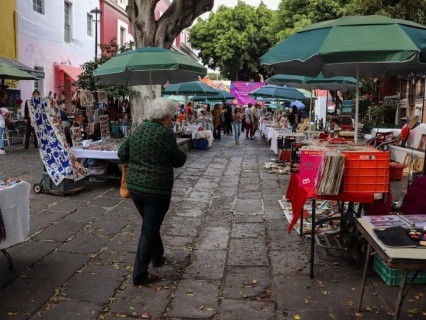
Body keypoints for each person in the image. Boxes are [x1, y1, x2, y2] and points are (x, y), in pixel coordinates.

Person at [118, 98, 187, 286]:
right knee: (149, 229)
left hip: (135, 187)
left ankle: (157, 255)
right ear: (165, 117)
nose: (172, 120)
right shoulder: (165, 134)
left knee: (150, 224)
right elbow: (178, 160)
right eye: (171, 117)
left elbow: (122, 154)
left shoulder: (138, 129)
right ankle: (140, 274)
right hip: (157, 190)